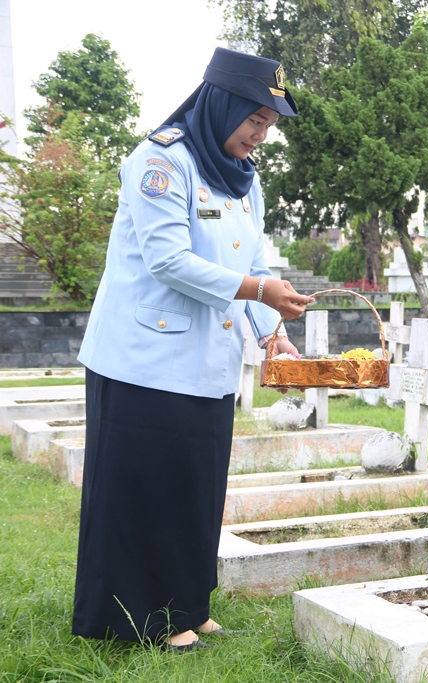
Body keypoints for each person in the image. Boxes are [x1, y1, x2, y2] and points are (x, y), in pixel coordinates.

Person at [72, 48, 315, 651]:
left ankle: (187, 604)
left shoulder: (245, 178)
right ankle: (137, 620)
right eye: (254, 121)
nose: (260, 136)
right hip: (142, 360)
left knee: (195, 487)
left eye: (269, 126)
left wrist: (271, 332)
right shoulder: (161, 160)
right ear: (223, 104)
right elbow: (168, 259)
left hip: (207, 362)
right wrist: (260, 290)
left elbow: (253, 263)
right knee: (144, 488)